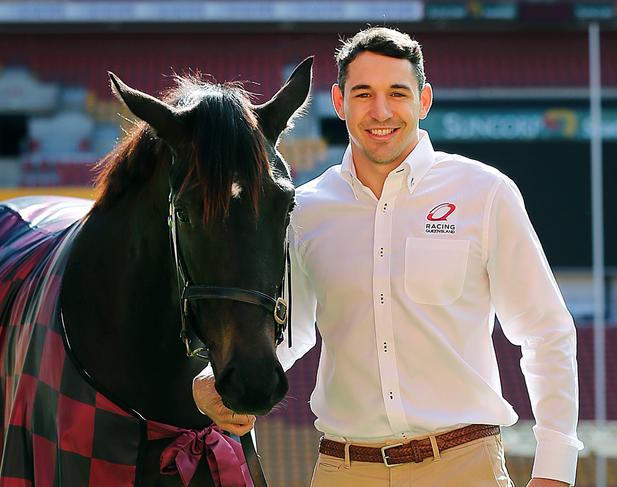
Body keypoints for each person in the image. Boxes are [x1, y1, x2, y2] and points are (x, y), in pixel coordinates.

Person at [193, 27, 583, 487]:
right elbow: (292, 332)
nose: (381, 112)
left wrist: (556, 471)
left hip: (463, 466)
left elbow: (545, 331)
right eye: (363, 94)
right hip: (343, 469)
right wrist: (214, 378)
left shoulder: (486, 193)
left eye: (397, 93)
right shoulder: (304, 209)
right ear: (339, 102)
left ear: (424, 101)